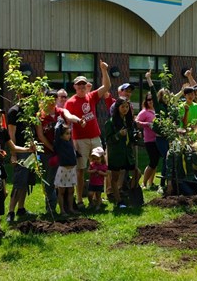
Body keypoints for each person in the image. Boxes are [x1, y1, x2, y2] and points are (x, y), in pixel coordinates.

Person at [64, 60, 111, 209]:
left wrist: (104, 70)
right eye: (79, 84)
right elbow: (67, 118)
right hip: (80, 140)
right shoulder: (70, 102)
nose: (82, 86)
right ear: (75, 87)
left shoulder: (91, 96)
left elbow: (107, 87)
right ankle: (79, 200)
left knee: (102, 165)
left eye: (84, 84)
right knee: (81, 170)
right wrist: (78, 121)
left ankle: (99, 197)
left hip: (95, 137)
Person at [35, 90, 84, 213]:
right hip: (48, 152)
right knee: (51, 180)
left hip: (64, 152)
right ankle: (51, 208)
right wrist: (53, 148)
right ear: (45, 100)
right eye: (49, 100)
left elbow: (70, 116)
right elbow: (40, 136)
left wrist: (79, 120)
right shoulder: (39, 116)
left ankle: (68, 207)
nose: (52, 103)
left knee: (67, 179)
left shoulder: (61, 112)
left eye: (54, 100)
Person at [105, 97, 140, 208]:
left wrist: (136, 136)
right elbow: (109, 141)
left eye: (127, 107)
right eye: (122, 107)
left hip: (128, 154)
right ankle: (119, 200)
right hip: (116, 154)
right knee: (114, 178)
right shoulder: (110, 123)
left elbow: (131, 138)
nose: (125, 109)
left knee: (137, 173)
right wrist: (119, 135)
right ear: (117, 108)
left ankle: (129, 191)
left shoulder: (129, 121)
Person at [6, 99, 36, 222]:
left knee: (26, 180)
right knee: (19, 182)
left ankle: (21, 208)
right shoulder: (14, 111)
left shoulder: (30, 111)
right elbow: (11, 134)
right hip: (21, 151)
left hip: (31, 151)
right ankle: (11, 211)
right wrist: (13, 154)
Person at [136, 91, 161, 190]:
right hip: (149, 140)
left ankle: (151, 183)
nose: (150, 101)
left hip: (158, 139)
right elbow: (137, 122)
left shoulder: (158, 110)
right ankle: (144, 183)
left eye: (152, 99)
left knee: (155, 161)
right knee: (153, 161)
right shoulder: (144, 112)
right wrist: (147, 124)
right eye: (148, 99)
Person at [54, 121, 79, 216]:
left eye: (70, 133)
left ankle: (71, 208)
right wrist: (59, 122)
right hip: (63, 169)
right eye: (67, 134)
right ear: (61, 135)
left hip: (71, 170)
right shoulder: (59, 143)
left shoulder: (69, 143)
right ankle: (62, 210)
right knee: (61, 191)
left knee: (71, 190)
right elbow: (57, 131)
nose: (69, 136)